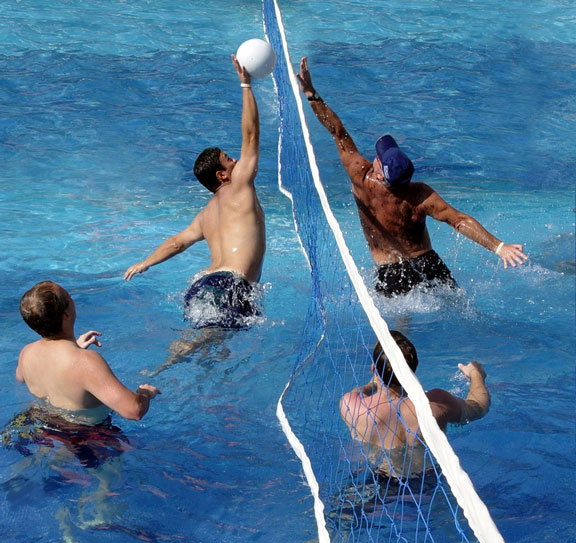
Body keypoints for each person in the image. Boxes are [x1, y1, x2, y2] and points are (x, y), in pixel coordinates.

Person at [297, 57, 528, 297]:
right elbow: (459, 220)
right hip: (429, 265)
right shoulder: (420, 196)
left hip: (390, 273)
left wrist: (311, 93)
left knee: (399, 327)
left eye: (378, 158)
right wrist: (499, 247)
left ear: (379, 171)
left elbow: (337, 132)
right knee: (455, 305)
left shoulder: (362, 177)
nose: (375, 157)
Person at [124, 55, 266, 328]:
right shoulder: (239, 187)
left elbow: (178, 242)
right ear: (221, 175)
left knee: (203, 343)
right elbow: (251, 137)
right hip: (231, 284)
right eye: (229, 159)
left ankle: (161, 369)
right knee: (213, 342)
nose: (236, 160)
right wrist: (246, 86)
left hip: (202, 284)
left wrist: (146, 262)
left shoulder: (205, 216)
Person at [339, 330, 490, 477]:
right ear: (413, 369)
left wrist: (372, 385)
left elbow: (357, 392)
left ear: (373, 369)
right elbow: (479, 407)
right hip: (428, 483)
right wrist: (476, 374)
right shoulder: (436, 403)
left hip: (381, 481)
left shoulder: (352, 405)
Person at [15, 281, 161, 425]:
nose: (72, 298)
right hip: (84, 437)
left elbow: (21, 377)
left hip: (43, 427)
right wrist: (146, 392)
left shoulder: (26, 352)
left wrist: (74, 349)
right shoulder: (84, 362)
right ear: (65, 314)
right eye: (69, 296)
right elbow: (134, 411)